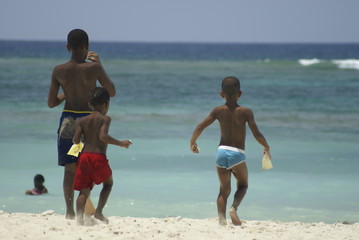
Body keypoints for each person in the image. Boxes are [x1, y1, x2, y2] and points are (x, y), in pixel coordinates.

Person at [47, 29, 116, 219]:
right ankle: (84, 209)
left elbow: (52, 103)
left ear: (67, 47)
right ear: (87, 47)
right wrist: (99, 65)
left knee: (70, 169)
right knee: (87, 166)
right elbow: (111, 91)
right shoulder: (94, 68)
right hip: (89, 120)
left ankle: (70, 213)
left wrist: (66, 93)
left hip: (68, 120)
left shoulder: (58, 70)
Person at [190, 76, 270, 226]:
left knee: (223, 190)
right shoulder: (246, 112)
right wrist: (266, 147)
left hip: (221, 152)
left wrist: (192, 142)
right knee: (243, 185)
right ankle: (233, 208)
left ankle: (221, 220)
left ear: (221, 94)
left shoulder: (218, 111)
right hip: (237, 154)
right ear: (240, 93)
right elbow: (257, 134)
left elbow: (200, 127)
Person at [72, 87, 132, 225]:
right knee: (108, 183)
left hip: (85, 157)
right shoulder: (105, 119)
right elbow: (103, 136)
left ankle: (79, 220)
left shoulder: (83, 120)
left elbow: (75, 140)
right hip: (98, 157)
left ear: (89, 104)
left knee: (83, 191)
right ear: (106, 104)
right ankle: (98, 212)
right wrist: (121, 143)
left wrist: (84, 141)